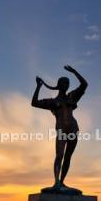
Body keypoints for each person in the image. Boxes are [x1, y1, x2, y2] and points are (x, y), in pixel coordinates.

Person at [31, 65, 88, 193]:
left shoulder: (72, 97)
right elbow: (34, 103)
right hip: (61, 131)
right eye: (64, 82)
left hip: (73, 130)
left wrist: (75, 72)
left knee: (68, 156)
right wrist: (39, 87)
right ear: (59, 85)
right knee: (59, 155)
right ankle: (56, 183)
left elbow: (84, 85)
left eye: (68, 83)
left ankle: (62, 182)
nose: (66, 85)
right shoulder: (53, 102)